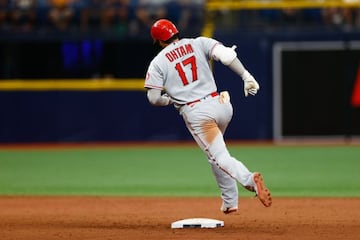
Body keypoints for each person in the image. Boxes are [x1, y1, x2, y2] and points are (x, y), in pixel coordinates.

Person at [144, 18, 272, 214]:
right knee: (215, 156)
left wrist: (170, 99)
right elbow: (227, 56)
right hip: (221, 104)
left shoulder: (158, 62)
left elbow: (153, 98)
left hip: (198, 113)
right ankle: (230, 202)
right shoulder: (199, 42)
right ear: (176, 32)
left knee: (220, 156)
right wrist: (246, 76)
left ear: (159, 41)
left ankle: (250, 180)